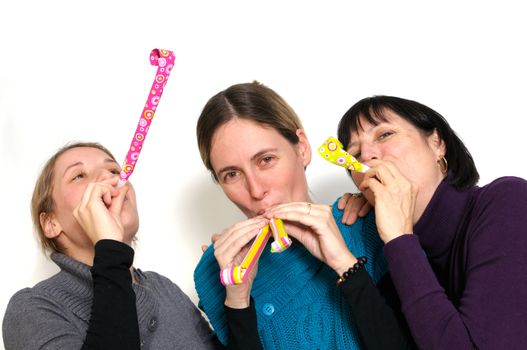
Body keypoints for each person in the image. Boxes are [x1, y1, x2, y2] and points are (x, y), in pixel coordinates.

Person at [194, 82, 414, 349]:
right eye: (231, 174)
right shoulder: (215, 273)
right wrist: (238, 303)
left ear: (302, 148)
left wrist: (348, 266)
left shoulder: (372, 225)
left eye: (266, 160)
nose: (256, 190)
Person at [2, 142, 260, 349]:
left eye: (114, 171)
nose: (110, 180)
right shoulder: (32, 308)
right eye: (79, 175)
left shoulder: (163, 288)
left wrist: (237, 298)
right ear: (50, 223)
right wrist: (110, 247)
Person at [330, 95, 527, 348]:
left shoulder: (508, 201)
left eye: (385, 134)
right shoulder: (386, 251)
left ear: (437, 143)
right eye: (354, 153)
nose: (366, 156)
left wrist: (400, 237)